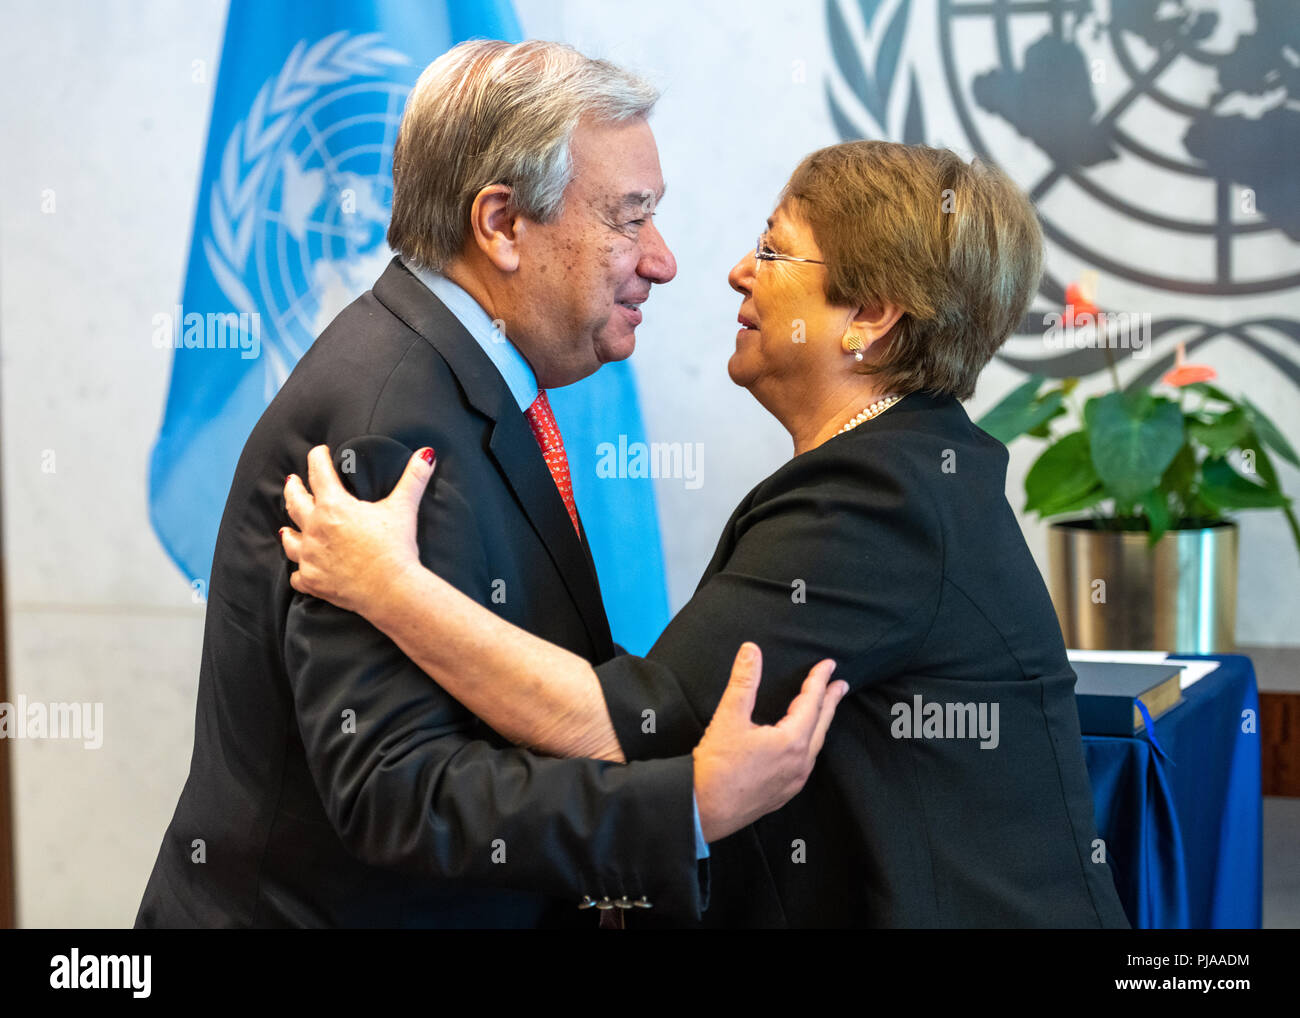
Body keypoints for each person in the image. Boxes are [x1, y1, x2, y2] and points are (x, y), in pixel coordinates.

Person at [281, 139, 1133, 929]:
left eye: (773, 252)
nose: (733, 274)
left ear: (870, 315)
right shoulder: (903, 465)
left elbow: (626, 728)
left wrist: (388, 587)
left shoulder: (880, 499)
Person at [135, 39, 846, 930]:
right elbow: (395, 790)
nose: (662, 261)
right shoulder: (390, 423)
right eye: (629, 219)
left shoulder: (459, 375)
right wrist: (689, 808)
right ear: (502, 224)